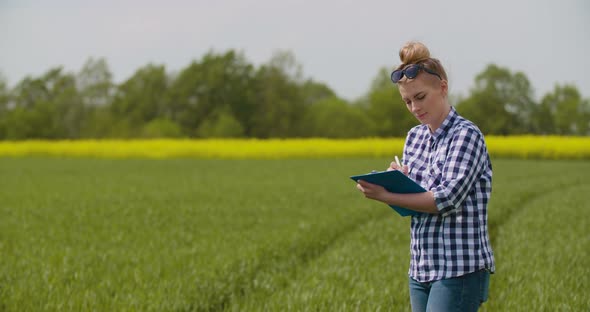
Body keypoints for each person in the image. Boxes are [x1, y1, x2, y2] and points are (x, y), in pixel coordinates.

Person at [356, 41, 495, 312]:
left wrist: (385, 195)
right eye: (407, 101)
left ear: (442, 87)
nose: (414, 108)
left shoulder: (466, 134)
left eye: (420, 97)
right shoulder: (414, 137)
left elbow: (445, 200)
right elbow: (415, 198)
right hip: (421, 267)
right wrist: (397, 179)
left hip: (459, 269)